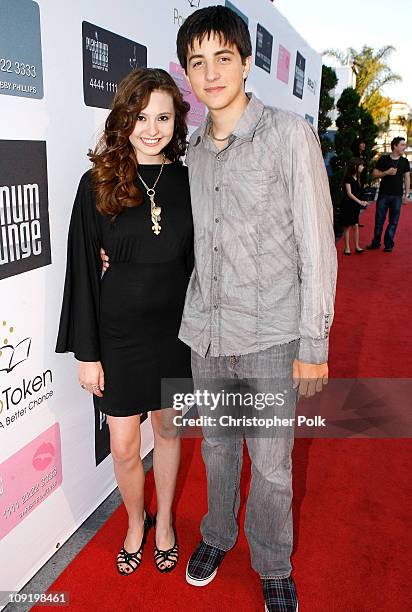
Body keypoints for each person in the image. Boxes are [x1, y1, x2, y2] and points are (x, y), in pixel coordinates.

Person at [174, 7, 337, 612]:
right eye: (197, 61)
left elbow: (318, 244)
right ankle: (217, 535)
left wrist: (313, 345)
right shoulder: (190, 150)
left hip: (273, 336)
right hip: (206, 335)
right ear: (188, 73)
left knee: (271, 466)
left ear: (246, 62)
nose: (211, 72)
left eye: (223, 58)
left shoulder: (289, 134)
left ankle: (272, 564)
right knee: (216, 449)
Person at [56, 68, 194, 577]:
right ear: (124, 118)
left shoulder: (190, 180)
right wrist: (87, 353)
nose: (152, 128)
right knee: (123, 443)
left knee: (171, 430)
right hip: (118, 335)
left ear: (177, 121)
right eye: (141, 116)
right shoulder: (97, 184)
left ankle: (164, 526)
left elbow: (202, 261)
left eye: (163, 117)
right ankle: (136, 521)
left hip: (176, 333)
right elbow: (83, 272)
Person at [366, 136, 410, 252]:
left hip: (397, 196)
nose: (404, 147)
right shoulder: (384, 159)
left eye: (404, 145)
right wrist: (386, 172)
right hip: (384, 194)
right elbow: (374, 174)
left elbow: (407, 178)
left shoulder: (404, 161)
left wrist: (407, 194)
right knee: (379, 219)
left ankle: (388, 243)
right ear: (395, 146)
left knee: (394, 221)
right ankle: (376, 242)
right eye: (402, 145)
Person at [340, 158, 369, 255]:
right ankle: (347, 248)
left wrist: (363, 201)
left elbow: (359, 192)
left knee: (356, 225)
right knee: (347, 226)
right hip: (347, 204)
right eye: (361, 165)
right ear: (355, 166)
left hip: (355, 205)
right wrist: (360, 202)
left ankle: (357, 246)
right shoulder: (348, 178)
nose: (362, 167)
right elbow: (349, 193)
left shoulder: (359, 177)